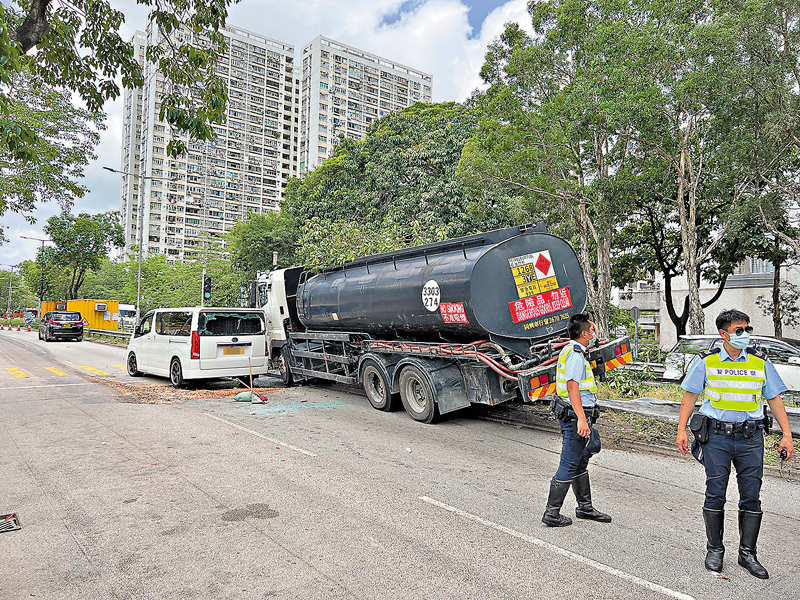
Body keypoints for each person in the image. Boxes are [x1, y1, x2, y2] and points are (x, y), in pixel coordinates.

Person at [676, 309, 795, 579]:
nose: (745, 335)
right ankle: (715, 550)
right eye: (739, 330)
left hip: (751, 438)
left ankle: (747, 554)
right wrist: (681, 430)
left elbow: (775, 399)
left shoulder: (759, 363)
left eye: (747, 329)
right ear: (724, 334)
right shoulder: (706, 363)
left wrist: (786, 434)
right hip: (716, 437)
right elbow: (690, 397)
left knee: (751, 495)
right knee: (715, 493)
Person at [542, 313, 611, 527]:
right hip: (574, 416)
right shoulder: (574, 353)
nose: (594, 332)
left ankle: (585, 507)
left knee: (581, 459)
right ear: (584, 333)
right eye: (592, 329)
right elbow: (572, 386)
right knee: (569, 463)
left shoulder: (578, 351)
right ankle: (551, 514)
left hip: (579, 414)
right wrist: (582, 418)